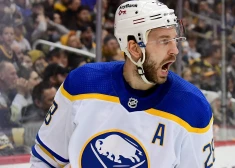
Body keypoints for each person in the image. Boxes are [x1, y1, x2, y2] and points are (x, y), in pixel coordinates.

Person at [30, 1, 214, 168]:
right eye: (164, 41)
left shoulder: (193, 108)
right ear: (134, 48)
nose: (175, 50)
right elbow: (45, 161)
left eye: (174, 40)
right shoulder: (83, 84)